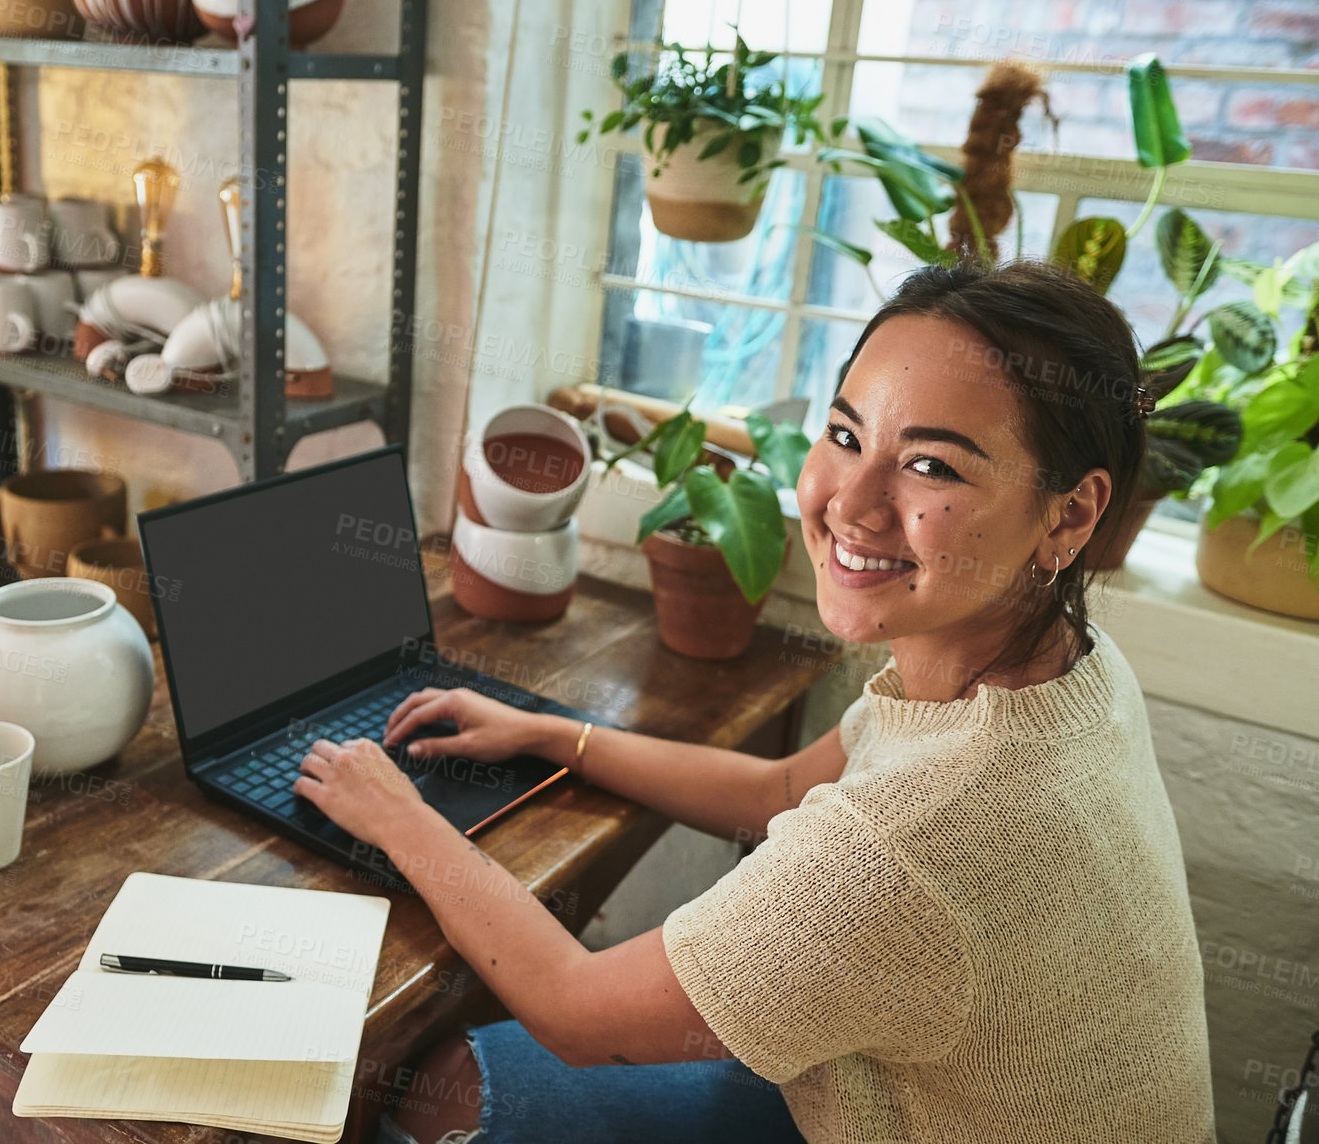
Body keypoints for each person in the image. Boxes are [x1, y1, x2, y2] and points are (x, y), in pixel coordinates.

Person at [292, 259, 1216, 1144]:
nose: (850, 505)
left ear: (1070, 516)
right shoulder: (1071, 669)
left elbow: (578, 1011)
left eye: (933, 467)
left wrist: (399, 818)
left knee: (439, 1085)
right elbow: (781, 789)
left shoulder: (916, 840)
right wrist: (556, 734)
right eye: (847, 436)